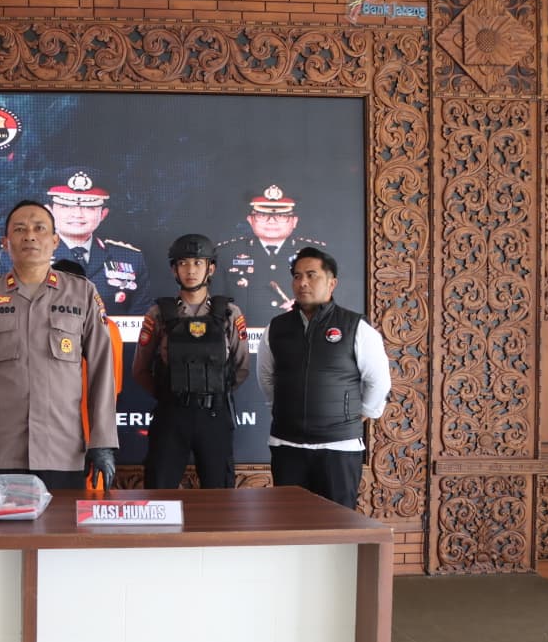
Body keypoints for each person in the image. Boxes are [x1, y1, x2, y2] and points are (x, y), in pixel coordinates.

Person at [0, 200, 118, 491]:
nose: (30, 236)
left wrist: (102, 441)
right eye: (20, 229)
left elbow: (103, 372)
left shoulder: (81, 293)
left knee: (62, 522)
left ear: (55, 241)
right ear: (5, 242)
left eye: (39, 228)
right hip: (0, 453)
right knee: (2, 523)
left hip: (64, 452)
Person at [257, 246, 391, 509]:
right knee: (288, 522)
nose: (302, 283)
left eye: (311, 275)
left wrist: (363, 413)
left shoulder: (355, 326)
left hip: (338, 448)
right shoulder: (276, 328)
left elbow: (379, 381)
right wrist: (283, 408)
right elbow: (266, 378)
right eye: (297, 276)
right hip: (287, 445)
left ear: (332, 283)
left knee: (338, 524)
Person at [131, 234, 250, 489]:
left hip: (214, 414)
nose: (191, 270)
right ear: (174, 269)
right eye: (183, 263)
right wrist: (170, 396)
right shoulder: (158, 313)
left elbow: (241, 368)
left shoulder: (229, 314)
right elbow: (140, 370)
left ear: (211, 268)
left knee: (220, 495)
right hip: (171, 415)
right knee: (159, 492)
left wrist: (213, 391)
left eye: (198, 263)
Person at [52, 258, 124, 491]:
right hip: (89, 434)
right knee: (90, 503)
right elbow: (114, 388)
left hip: (72, 435)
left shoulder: (106, 328)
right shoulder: (110, 327)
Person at [45, 170, 151, 315]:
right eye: (66, 206)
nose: (77, 214)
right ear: (50, 211)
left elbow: (140, 316)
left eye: (89, 207)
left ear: (103, 214)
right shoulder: (25, 258)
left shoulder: (129, 258)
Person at [217, 184, 327, 319]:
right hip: (243, 329)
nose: (271, 221)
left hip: (297, 328)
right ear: (250, 220)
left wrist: (307, 306)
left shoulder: (316, 255)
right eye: (263, 215)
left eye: (281, 215)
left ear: (294, 221)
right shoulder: (226, 253)